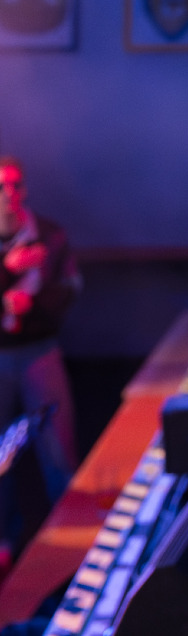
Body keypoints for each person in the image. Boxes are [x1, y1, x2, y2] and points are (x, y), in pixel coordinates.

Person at [0, 155, 80, 568]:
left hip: (39, 350)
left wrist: (32, 303)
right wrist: (5, 272)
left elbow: (70, 289)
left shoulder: (49, 235)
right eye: (0, 187)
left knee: (58, 448)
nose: (8, 195)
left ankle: (70, 542)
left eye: (15, 185)